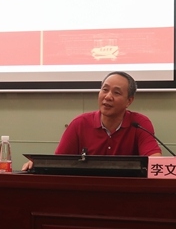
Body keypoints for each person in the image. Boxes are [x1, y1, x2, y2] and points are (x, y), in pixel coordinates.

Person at [22, 71, 161, 171]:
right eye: (105, 90)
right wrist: (38, 165)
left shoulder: (139, 123)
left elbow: (155, 161)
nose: (108, 97)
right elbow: (58, 162)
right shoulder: (80, 123)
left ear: (129, 101)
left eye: (116, 93)